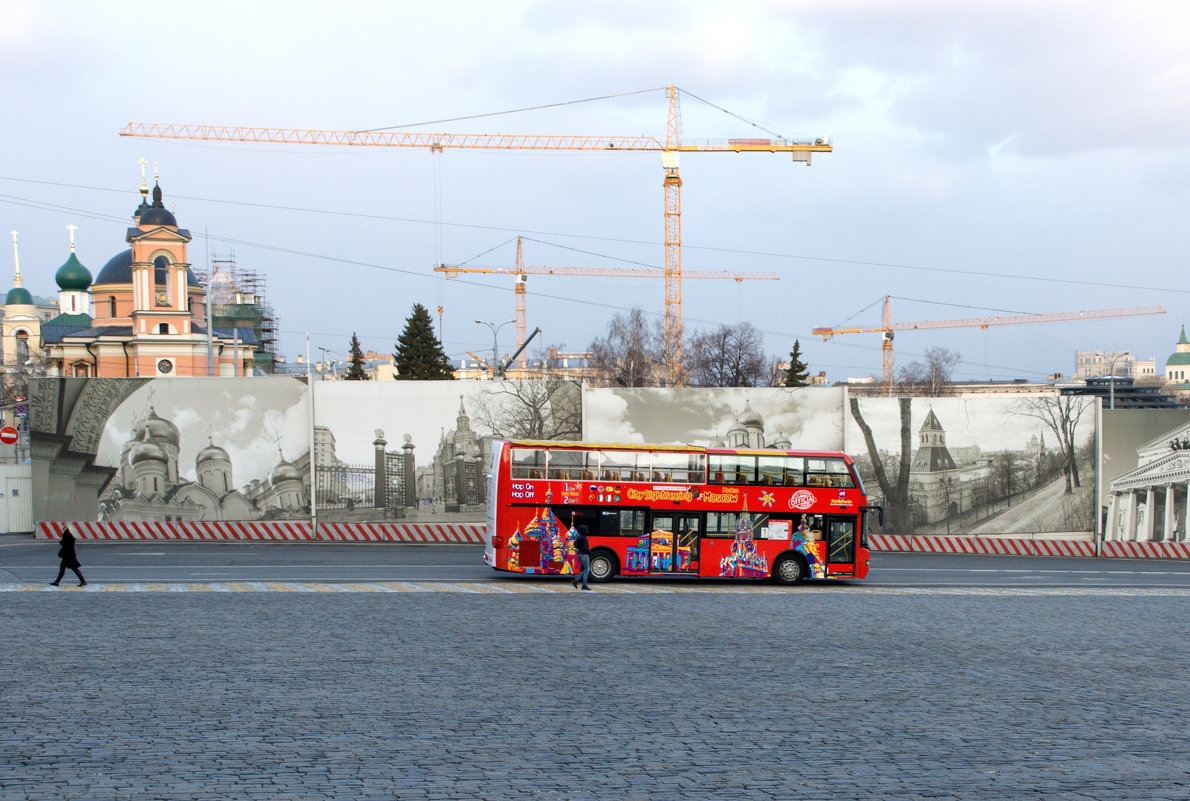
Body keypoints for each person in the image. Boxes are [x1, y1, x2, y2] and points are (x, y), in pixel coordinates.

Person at [571, 524, 592, 591]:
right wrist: (589, 552)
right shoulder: (584, 538)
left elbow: (575, 545)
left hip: (580, 554)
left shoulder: (578, 537)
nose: (587, 531)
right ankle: (584, 585)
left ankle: (576, 580)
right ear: (584, 530)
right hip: (584, 554)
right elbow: (585, 548)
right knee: (587, 569)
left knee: (587, 569)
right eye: (586, 529)